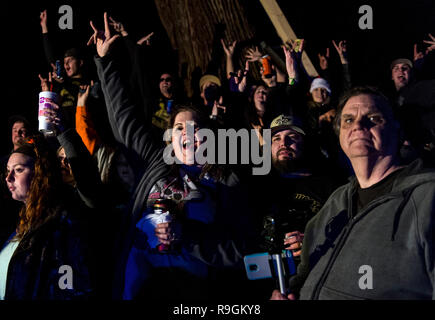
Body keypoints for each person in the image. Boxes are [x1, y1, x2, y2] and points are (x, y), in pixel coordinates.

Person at [88, 13, 256, 300]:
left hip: (193, 292)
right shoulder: (157, 162)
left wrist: (187, 235)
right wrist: (105, 61)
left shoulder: (226, 180)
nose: (187, 132)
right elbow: (123, 117)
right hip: (136, 287)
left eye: (195, 127)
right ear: (170, 138)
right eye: (179, 127)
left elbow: (240, 249)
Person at [271, 86, 435, 300]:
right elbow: (304, 275)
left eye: (374, 118)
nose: (358, 125)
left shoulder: (427, 198)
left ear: (397, 130)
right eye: (348, 120)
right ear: (340, 135)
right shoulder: (335, 203)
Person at [1, 134, 96, 299]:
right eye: (8, 171)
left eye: (18, 170)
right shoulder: (25, 219)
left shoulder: (62, 223)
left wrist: (63, 131)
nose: (9, 178)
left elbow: (70, 287)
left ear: (40, 173)